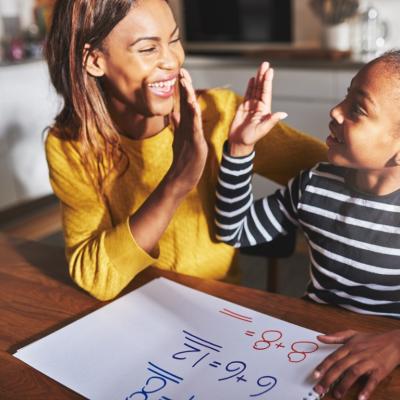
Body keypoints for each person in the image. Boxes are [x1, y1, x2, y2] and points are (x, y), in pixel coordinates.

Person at [44, 0, 326, 302]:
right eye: (148, 49)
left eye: (174, 40)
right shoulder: (71, 145)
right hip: (128, 305)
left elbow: (341, 173)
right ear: (94, 60)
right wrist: (176, 183)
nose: (172, 60)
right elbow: (95, 277)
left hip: (217, 302)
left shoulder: (221, 114)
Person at [215, 51, 400, 399]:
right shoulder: (314, 184)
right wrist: (240, 148)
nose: (336, 110)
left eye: (357, 108)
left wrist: (395, 344)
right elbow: (234, 231)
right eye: (346, 95)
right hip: (309, 348)